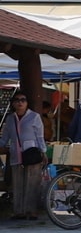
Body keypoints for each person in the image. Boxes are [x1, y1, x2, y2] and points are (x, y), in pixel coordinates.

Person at [2, 90, 48, 222]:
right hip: (16, 154)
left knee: (32, 183)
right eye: (17, 100)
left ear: (27, 103)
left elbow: (40, 136)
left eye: (23, 100)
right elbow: (5, 137)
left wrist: (43, 151)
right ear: (13, 104)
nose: (20, 102)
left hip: (32, 154)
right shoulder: (10, 119)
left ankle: (31, 211)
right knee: (17, 184)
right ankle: (18, 211)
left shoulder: (34, 117)